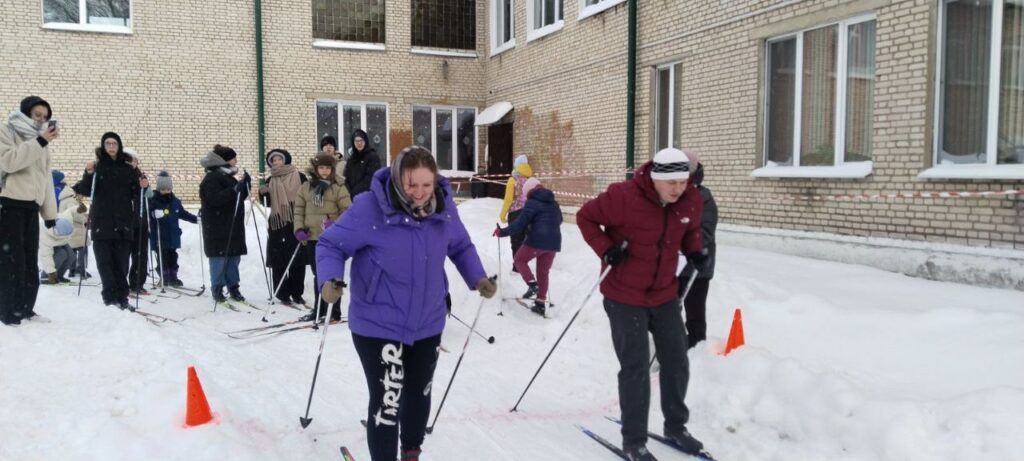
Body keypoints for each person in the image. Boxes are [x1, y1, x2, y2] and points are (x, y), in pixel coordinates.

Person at [315, 146, 496, 461]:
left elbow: (461, 246)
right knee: (388, 399)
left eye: (426, 185)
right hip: (377, 323)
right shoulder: (369, 208)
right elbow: (331, 244)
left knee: (418, 392)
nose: (420, 193)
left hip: (427, 321)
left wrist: (477, 278)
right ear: (398, 178)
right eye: (412, 184)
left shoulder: (443, 208)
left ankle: (411, 452)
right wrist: (329, 280)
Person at [576, 148, 708, 461]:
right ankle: (633, 440)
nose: (678, 188)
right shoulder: (623, 197)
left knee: (677, 360)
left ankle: (676, 426)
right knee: (635, 367)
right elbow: (586, 218)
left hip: (663, 294)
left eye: (683, 181)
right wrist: (607, 249)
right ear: (655, 178)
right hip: (624, 295)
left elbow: (689, 230)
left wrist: (695, 251)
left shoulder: (691, 199)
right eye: (671, 182)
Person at [0, 96, 58, 325]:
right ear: (26, 113)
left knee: (29, 260)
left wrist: (50, 214)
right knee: (10, 260)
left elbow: (45, 178)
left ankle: (25, 308)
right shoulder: (7, 130)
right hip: (10, 203)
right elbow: (9, 162)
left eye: (45, 117)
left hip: (31, 206)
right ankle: (8, 311)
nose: (41, 120)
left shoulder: (40, 142)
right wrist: (39, 142)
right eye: (37, 115)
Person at [73, 132, 140, 311]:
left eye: (114, 143)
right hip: (102, 222)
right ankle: (110, 297)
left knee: (121, 263)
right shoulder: (97, 166)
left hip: (122, 222)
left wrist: (139, 176)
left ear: (119, 146)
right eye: (107, 143)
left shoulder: (127, 167)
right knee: (104, 263)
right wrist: (88, 173)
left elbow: (137, 191)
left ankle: (122, 296)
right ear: (103, 146)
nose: (111, 146)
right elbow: (86, 190)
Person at [493, 177, 562, 316]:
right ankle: (540, 304)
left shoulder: (532, 203)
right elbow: (559, 219)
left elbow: (519, 224)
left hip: (537, 240)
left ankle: (532, 284)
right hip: (553, 243)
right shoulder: (553, 202)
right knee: (543, 272)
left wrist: (502, 232)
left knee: (519, 260)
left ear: (529, 191)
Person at [294, 153, 350, 320]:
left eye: (327, 168)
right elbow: (299, 210)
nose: (324, 171)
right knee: (318, 274)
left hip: (331, 239)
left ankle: (334, 311)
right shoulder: (306, 187)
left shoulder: (338, 187)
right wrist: (298, 229)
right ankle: (319, 309)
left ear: (332, 169)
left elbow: (348, 211)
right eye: (321, 168)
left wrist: (335, 224)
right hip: (312, 237)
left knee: (331, 274)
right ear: (315, 169)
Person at [199, 144, 251, 303]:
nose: (236, 160)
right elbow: (214, 199)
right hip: (218, 227)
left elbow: (237, 198)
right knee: (219, 259)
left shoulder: (228, 176)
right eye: (233, 157)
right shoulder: (212, 177)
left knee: (233, 258)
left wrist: (245, 186)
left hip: (232, 225)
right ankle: (217, 288)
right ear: (224, 160)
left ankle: (233, 287)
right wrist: (235, 189)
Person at [259, 149, 307, 305]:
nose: (277, 162)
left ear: (285, 160)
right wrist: (263, 193)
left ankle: (297, 292)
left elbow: (307, 197)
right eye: (274, 161)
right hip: (278, 223)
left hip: (296, 221)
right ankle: (282, 293)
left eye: (279, 159)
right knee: (278, 259)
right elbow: (265, 202)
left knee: (297, 259)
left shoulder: (299, 176)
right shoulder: (270, 180)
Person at [677, 163, 717, 349]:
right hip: (673, 265)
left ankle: (697, 349)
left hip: (697, 267)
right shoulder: (672, 196)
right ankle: (673, 346)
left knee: (694, 312)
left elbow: (705, 233)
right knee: (668, 310)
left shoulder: (704, 199)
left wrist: (677, 243)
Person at [149, 171, 198, 288]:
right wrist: (153, 214)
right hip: (160, 237)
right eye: (163, 189)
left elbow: (183, 214)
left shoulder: (175, 202)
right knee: (163, 257)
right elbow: (148, 213)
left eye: (168, 189)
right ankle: (164, 277)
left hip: (173, 236)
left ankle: (173, 277)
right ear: (159, 189)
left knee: (173, 257)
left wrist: (196, 219)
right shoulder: (153, 200)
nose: (166, 192)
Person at [498, 154, 533, 272]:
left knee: (516, 241)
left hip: (515, 214)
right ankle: (524, 264)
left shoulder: (512, 180)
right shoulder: (531, 181)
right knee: (525, 240)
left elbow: (508, 199)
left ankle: (517, 267)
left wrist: (503, 214)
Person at [125, 150, 151, 296]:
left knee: (140, 254)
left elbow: (150, 196)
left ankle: (137, 283)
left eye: (134, 160)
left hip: (140, 221)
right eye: (129, 160)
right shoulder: (120, 176)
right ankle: (122, 284)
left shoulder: (141, 177)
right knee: (123, 255)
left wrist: (146, 187)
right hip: (125, 221)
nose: (132, 163)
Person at [38, 210, 75, 284]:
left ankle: (59, 276)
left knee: (71, 255)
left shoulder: (66, 218)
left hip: (62, 241)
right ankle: (46, 277)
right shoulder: (44, 236)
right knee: (62, 254)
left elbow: (71, 210)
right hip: (51, 242)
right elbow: (46, 256)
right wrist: (51, 272)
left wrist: (79, 209)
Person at [342, 128, 382, 198]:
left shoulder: (372, 156)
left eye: (361, 140)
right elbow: (346, 178)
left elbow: (370, 178)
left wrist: (354, 192)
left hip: (367, 197)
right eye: (356, 141)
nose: (359, 143)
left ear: (365, 141)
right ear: (353, 143)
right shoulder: (351, 159)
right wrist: (348, 191)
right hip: (351, 197)